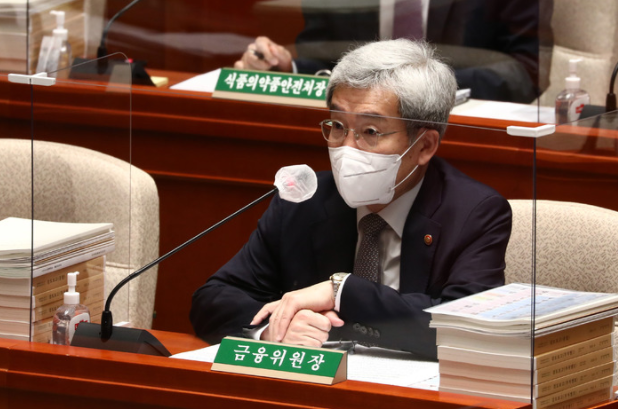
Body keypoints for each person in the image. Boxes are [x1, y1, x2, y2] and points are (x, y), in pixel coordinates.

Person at [191, 39, 512, 360]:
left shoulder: (474, 212)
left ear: (424, 145)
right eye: (338, 126)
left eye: (370, 131)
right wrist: (272, 329)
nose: (346, 148)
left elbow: (466, 328)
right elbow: (214, 299)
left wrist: (342, 292)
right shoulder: (304, 200)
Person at [234, 0, 553, 103]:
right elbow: (325, 58)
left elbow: (525, 73)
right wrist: (286, 68)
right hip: (354, 134)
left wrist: (414, 87)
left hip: (460, 132)